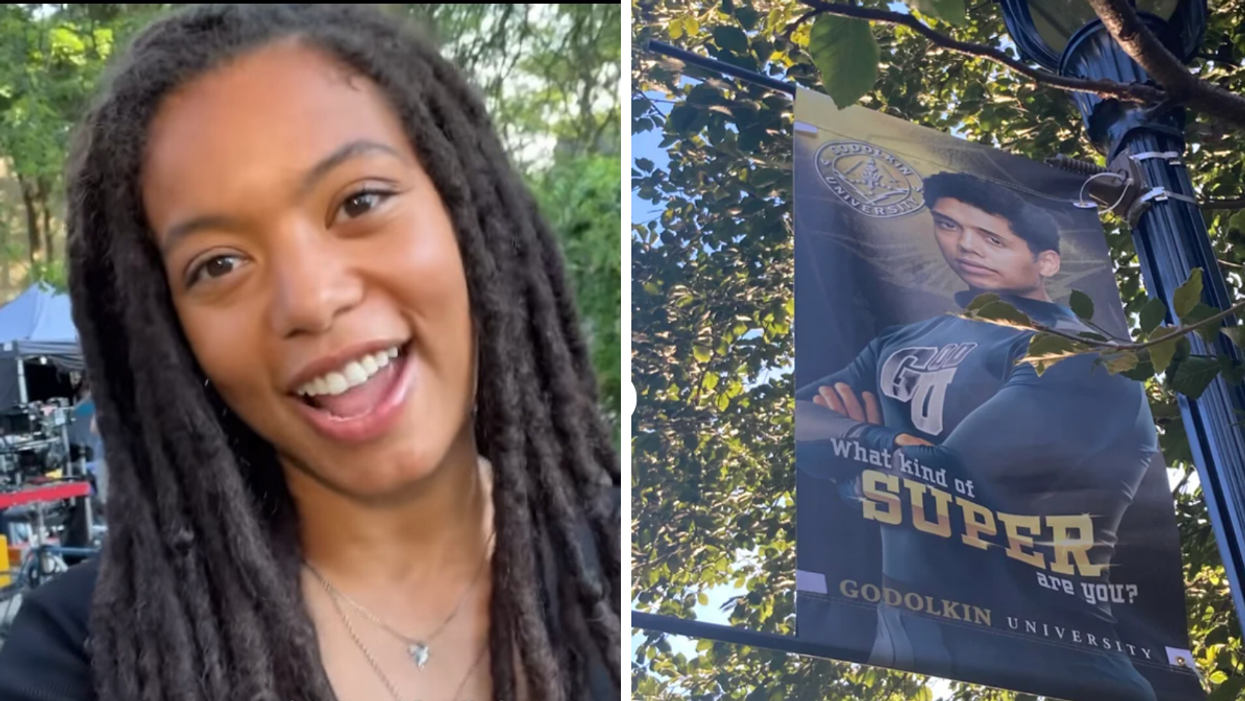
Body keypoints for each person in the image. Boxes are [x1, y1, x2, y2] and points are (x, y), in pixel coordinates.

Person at [0, 5, 620, 701]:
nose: (311, 300)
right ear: (171, 336)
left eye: (359, 201)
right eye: (219, 263)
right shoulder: (81, 658)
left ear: (468, 213)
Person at [796, 172, 1158, 701]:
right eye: (948, 225)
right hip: (909, 649)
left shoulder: (1082, 353)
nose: (965, 246)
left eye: (992, 238)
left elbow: (947, 482)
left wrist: (852, 452)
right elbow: (795, 418)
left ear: (1046, 262)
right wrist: (886, 444)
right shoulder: (903, 339)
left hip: (1060, 662)